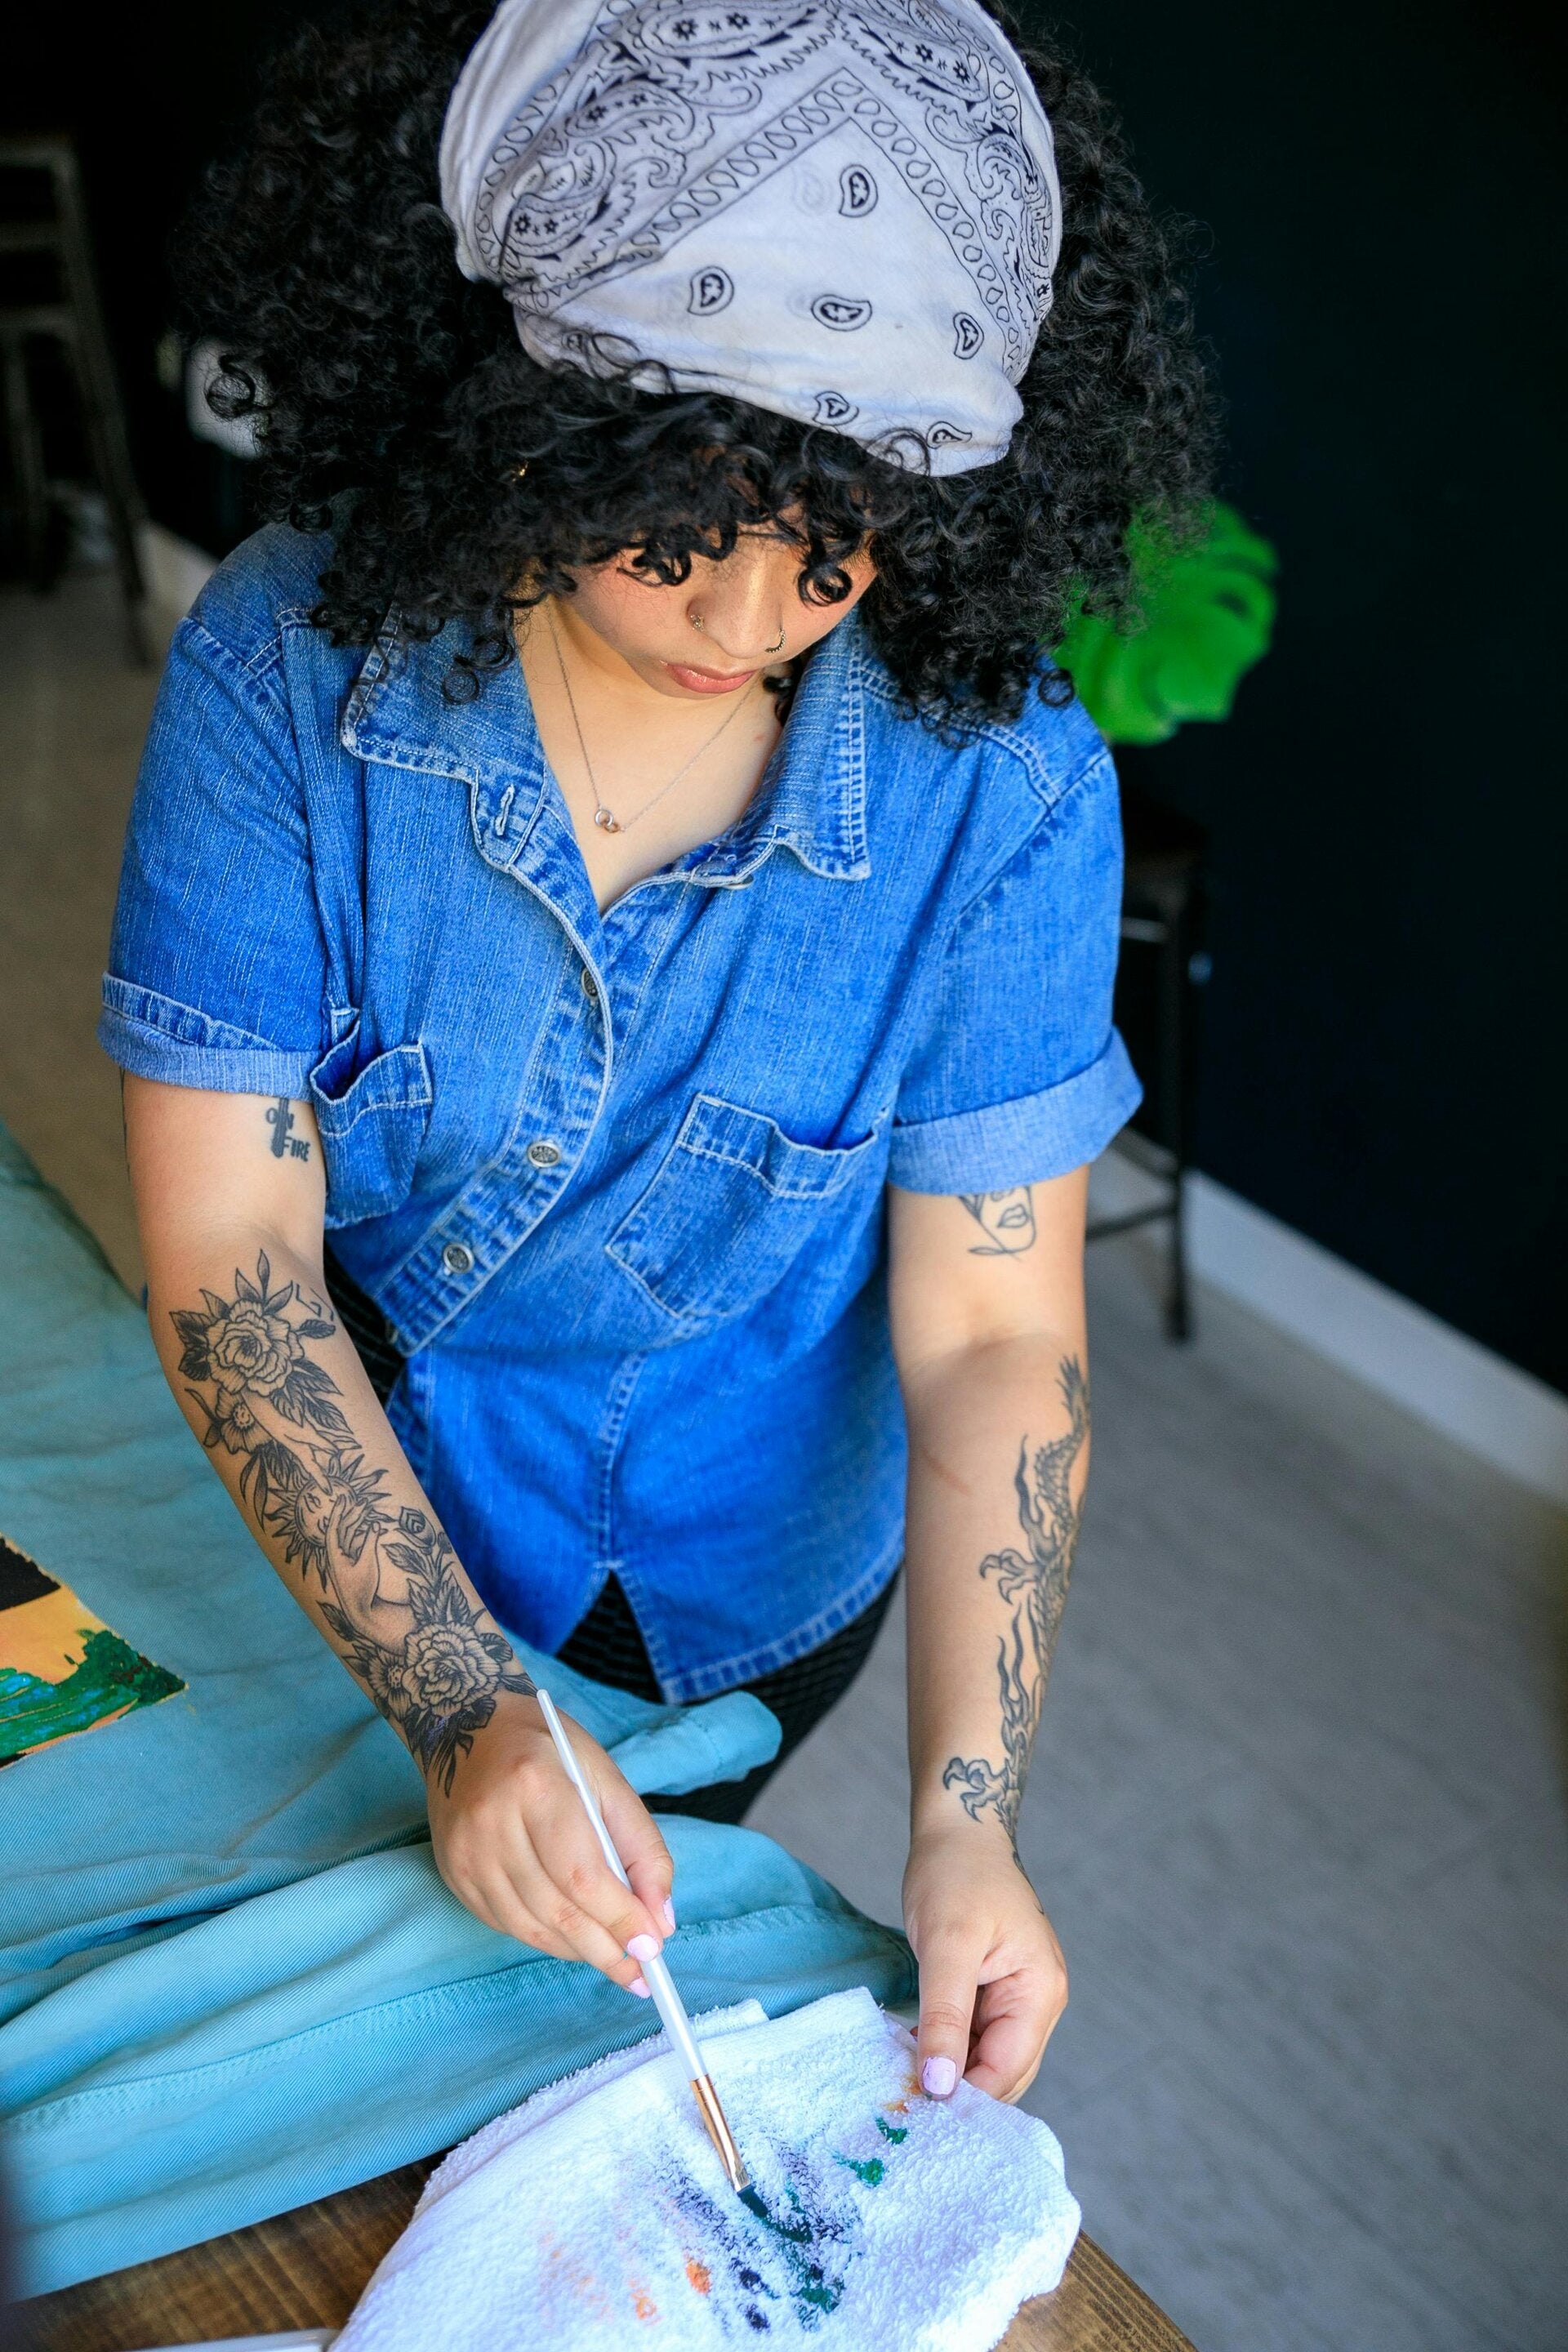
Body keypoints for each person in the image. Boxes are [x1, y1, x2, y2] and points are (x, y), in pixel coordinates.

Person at [104, 0, 1209, 2110]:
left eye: (847, 524)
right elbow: (235, 1253)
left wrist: (969, 1818)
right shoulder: (282, 668)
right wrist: (460, 1703)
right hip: (376, 1490)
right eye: (682, 514)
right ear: (522, 406)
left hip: (752, 1567)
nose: (758, 609)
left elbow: (993, 1328)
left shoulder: (1008, 789)